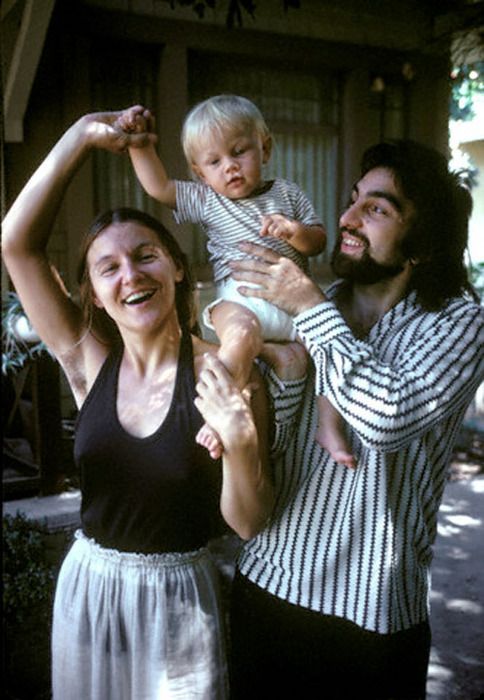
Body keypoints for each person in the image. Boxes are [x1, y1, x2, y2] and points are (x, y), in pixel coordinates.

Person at [1, 110, 276, 700]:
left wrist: (242, 441)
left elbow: (250, 522)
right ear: (95, 295)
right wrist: (80, 137)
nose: (131, 274)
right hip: (90, 590)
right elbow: (16, 244)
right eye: (109, 267)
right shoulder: (88, 362)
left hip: (178, 606)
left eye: (146, 254)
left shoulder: (222, 369)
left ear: (177, 265)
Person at [226, 139, 484, 699]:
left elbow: (387, 417)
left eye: (377, 208)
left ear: (424, 244)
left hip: (370, 615)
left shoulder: (459, 322)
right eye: (352, 200)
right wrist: (284, 374)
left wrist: (313, 312)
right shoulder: (313, 306)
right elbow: (274, 446)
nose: (346, 218)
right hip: (267, 588)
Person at [117, 95, 356, 468]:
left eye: (239, 152)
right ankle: (218, 413)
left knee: (329, 351)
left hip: (295, 305)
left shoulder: (288, 194)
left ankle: (329, 425)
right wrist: (141, 146)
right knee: (240, 338)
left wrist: (293, 232)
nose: (229, 167)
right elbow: (159, 187)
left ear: (265, 148)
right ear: (201, 173)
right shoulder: (209, 200)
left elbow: (318, 240)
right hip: (240, 299)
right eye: (215, 161)